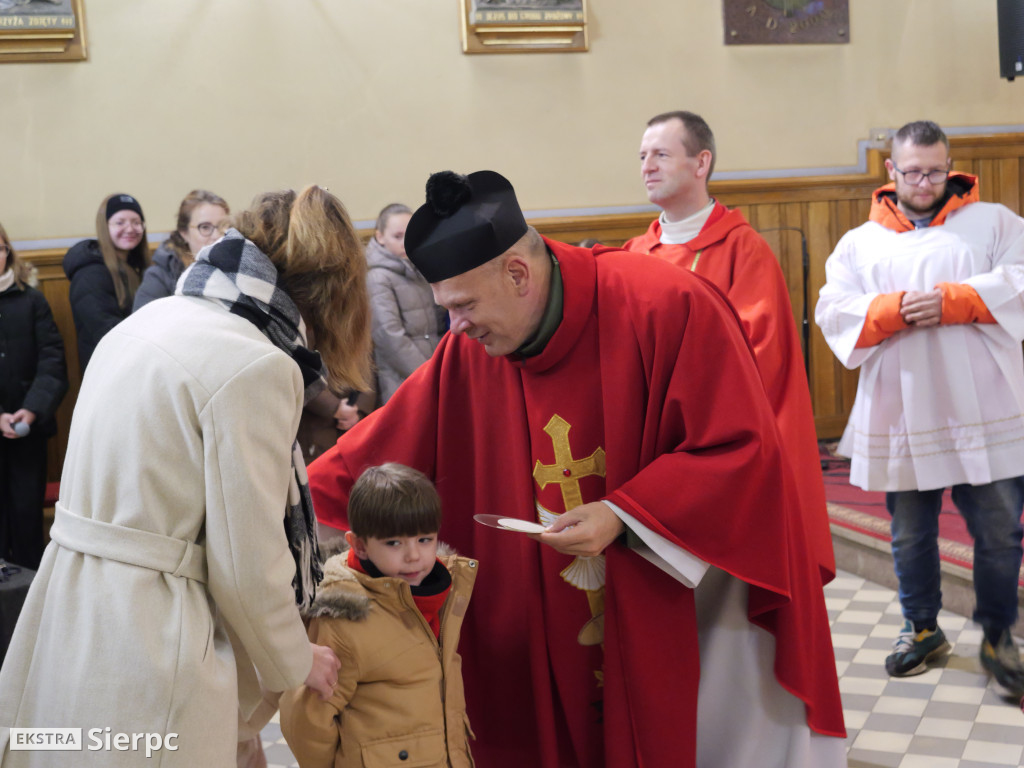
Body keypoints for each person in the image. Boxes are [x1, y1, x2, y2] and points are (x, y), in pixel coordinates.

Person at [308, 170, 845, 768]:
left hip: (668, 607)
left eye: (462, 305)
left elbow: (741, 449)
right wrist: (286, 504)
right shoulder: (472, 351)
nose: (454, 326)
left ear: (517, 274)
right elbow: (386, 444)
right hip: (533, 628)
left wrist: (623, 513)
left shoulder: (665, 305)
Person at [0, 185, 373, 766]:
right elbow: (247, 562)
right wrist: (297, 657)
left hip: (71, 605)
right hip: (155, 633)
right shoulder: (256, 363)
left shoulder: (155, 317)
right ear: (331, 290)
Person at [816, 119, 1024, 696]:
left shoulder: (996, 223)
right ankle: (923, 628)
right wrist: (893, 311)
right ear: (892, 170)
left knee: (1001, 530)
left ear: (950, 164)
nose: (925, 181)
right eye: (913, 171)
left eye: (935, 170)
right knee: (910, 532)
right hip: (903, 406)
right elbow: (834, 310)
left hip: (986, 405)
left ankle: (998, 634)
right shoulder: (860, 242)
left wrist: (956, 300)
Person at [622, 110, 834, 585]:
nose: (647, 166)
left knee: (721, 599)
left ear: (701, 164)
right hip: (652, 451)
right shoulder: (633, 254)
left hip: (717, 451)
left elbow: (761, 356)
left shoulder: (743, 249)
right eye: (641, 156)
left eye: (660, 154)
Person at [280, 463, 477, 768]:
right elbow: (306, 720)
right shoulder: (346, 616)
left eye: (424, 539)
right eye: (394, 543)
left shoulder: (443, 596)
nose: (414, 555)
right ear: (359, 545)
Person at [0, 223, 68, 570]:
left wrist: (31, 408)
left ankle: (29, 596)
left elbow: (53, 361)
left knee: (28, 515)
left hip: (29, 429)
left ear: (7, 253)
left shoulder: (32, 300)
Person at [62, 193, 152, 373]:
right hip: (110, 370)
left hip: (138, 364)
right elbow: (108, 332)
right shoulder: (90, 273)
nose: (130, 228)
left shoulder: (137, 266)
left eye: (136, 222)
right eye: (120, 222)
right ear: (104, 227)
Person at [366, 203, 446, 403]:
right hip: (403, 379)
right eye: (397, 236)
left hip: (435, 370)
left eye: (409, 234)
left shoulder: (420, 268)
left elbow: (439, 322)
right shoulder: (378, 277)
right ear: (380, 237)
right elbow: (389, 336)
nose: (405, 242)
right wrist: (427, 374)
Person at [133, 189, 230, 311]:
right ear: (184, 233)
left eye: (223, 226)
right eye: (205, 227)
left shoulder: (238, 266)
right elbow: (142, 323)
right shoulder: (161, 275)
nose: (217, 235)